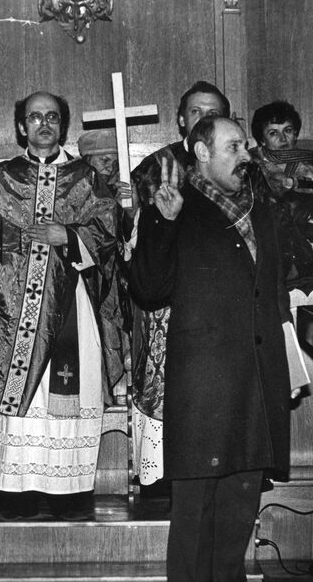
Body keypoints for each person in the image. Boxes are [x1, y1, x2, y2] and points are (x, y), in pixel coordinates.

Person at [0, 91, 118, 520]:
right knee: (22, 406)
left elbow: (109, 233)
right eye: (35, 117)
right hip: (10, 317)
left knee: (64, 400)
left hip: (71, 310)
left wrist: (68, 237)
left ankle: (68, 494)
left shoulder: (87, 180)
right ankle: (17, 494)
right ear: (21, 127)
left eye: (52, 117)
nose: (44, 124)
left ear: (62, 125)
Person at [129, 116, 292, 581]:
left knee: (241, 504)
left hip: (257, 378)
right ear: (200, 152)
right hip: (205, 385)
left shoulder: (260, 206)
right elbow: (147, 287)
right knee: (194, 513)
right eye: (233, 146)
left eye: (245, 145)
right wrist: (162, 222)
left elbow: (274, 289)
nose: (246, 154)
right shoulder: (177, 204)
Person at [128, 80, 231, 488]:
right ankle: (160, 481)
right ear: (180, 120)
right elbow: (127, 237)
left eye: (213, 112)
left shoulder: (237, 165)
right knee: (165, 384)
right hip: (167, 300)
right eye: (195, 112)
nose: (204, 119)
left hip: (219, 303)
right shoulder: (156, 166)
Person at [249, 100, 313, 293]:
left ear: (295, 134)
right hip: (269, 273)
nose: (282, 138)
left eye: (287, 130)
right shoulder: (250, 169)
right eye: (273, 132)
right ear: (261, 139)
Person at [77, 129, 134, 403]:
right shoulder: (76, 193)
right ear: (87, 161)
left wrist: (130, 210)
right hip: (89, 280)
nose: (109, 168)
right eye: (103, 161)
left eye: (114, 161)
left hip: (118, 280)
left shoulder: (124, 192)